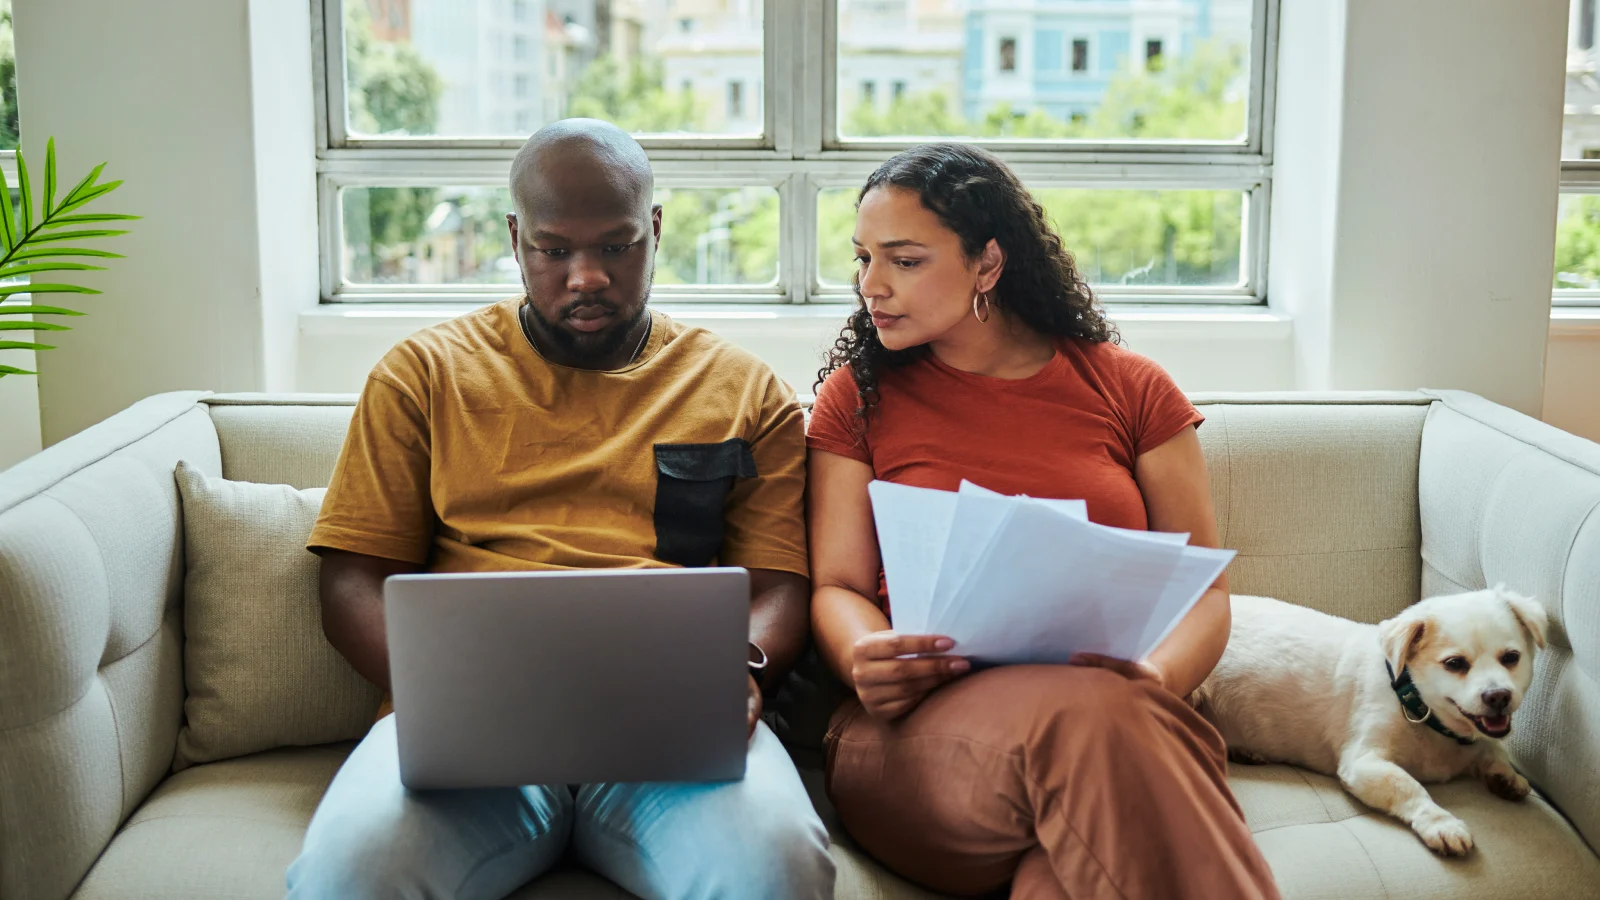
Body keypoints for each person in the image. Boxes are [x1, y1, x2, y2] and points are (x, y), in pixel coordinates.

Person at [286, 119, 834, 900]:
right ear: (516, 239)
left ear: (654, 230)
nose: (586, 277)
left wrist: (738, 671)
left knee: (777, 864)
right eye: (554, 250)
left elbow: (780, 586)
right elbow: (351, 581)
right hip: (470, 740)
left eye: (616, 247)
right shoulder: (423, 376)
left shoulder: (745, 391)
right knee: (352, 873)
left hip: (672, 738)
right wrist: (453, 703)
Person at [805, 143, 1281, 900]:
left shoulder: (1132, 389)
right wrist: (867, 655)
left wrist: (1154, 679)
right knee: (1093, 724)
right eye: (863, 258)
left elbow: (1204, 591)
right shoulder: (856, 398)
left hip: (1119, 728)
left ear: (987, 263)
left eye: (904, 260)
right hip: (915, 736)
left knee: (1060, 875)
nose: (871, 286)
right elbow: (835, 582)